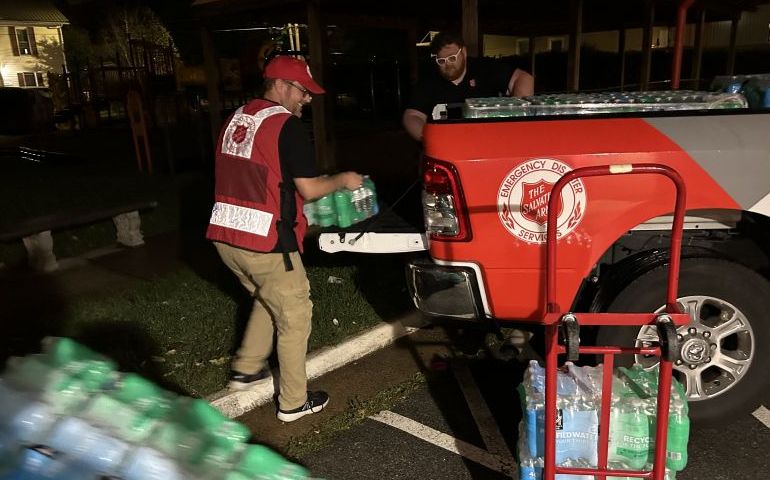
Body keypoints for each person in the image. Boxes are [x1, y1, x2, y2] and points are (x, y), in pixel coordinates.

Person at [206, 55, 363, 422]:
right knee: (295, 314)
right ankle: (293, 402)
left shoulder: (235, 119)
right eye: (303, 91)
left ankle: (246, 370)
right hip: (267, 240)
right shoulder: (287, 127)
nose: (306, 99)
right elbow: (308, 189)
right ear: (280, 84)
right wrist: (342, 179)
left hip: (226, 236)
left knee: (267, 295)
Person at [402, 31, 534, 142]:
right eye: (441, 61)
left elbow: (524, 78)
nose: (448, 65)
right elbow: (412, 115)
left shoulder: (484, 68)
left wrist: (516, 119)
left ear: (463, 52)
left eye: (452, 58)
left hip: (489, 141)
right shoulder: (430, 80)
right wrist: (430, 138)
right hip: (448, 144)